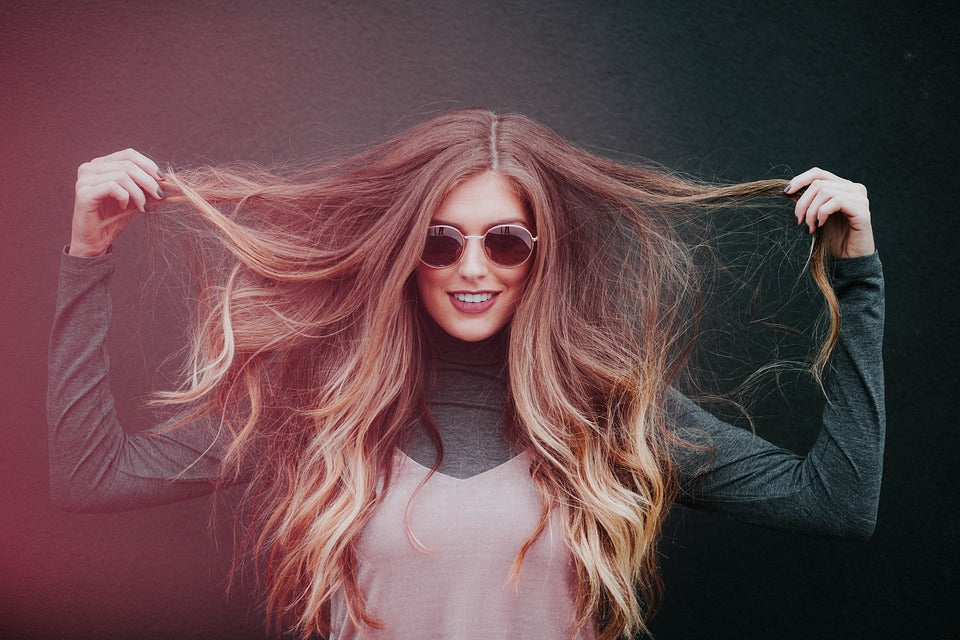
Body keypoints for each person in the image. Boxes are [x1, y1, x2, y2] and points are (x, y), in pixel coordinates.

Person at [48, 109, 884, 640]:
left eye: (505, 241)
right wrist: (90, 256)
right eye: (441, 241)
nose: (471, 267)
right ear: (406, 254)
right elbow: (90, 477)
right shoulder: (321, 409)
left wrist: (860, 276)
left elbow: (836, 500)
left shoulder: (611, 416)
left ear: (538, 255)